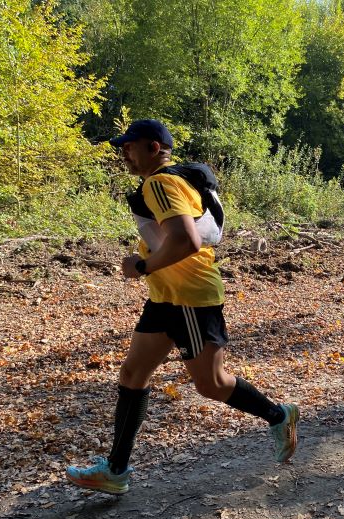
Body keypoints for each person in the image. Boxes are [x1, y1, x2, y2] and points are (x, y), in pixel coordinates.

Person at [66, 120, 299, 494]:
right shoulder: (173, 181)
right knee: (132, 374)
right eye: (122, 147)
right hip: (165, 297)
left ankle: (278, 415)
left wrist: (142, 266)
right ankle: (116, 471)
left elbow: (186, 241)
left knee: (211, 384)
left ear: (154, 147)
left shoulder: (160, 183)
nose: (124, 153)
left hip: (190, 298)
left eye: (130, 146)